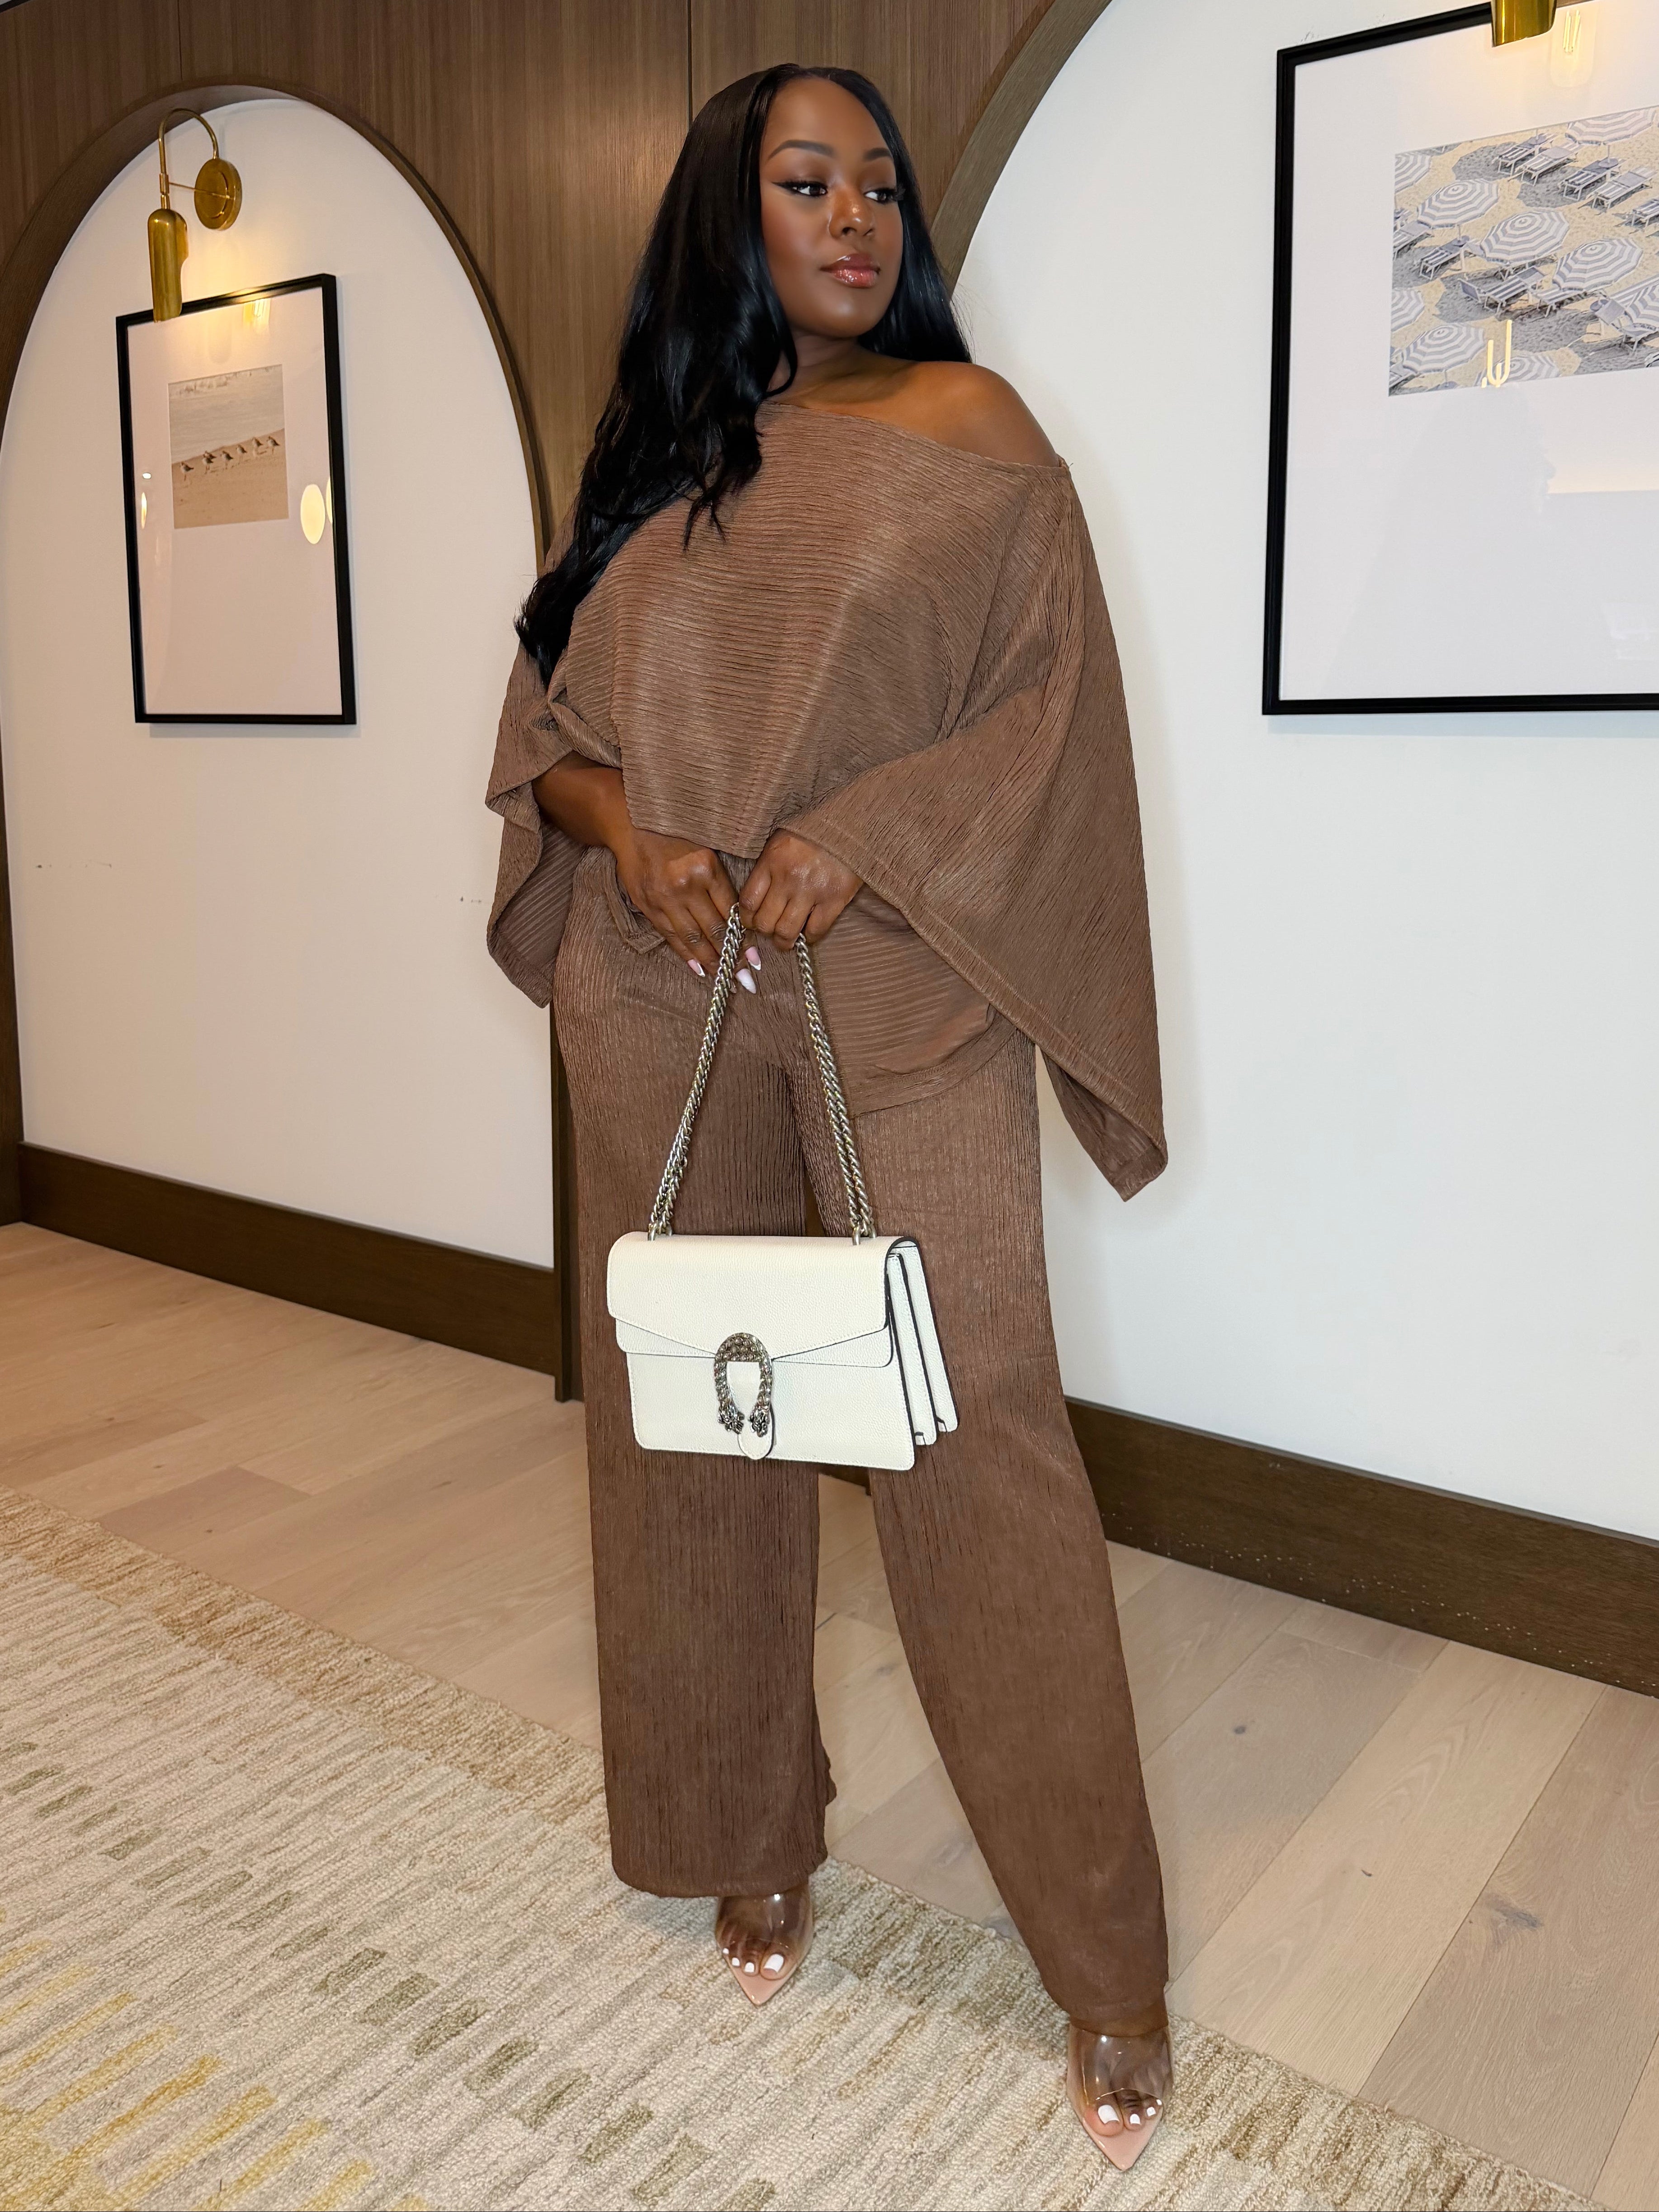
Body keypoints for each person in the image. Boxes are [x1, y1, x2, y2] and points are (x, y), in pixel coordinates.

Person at [485, 61, 1172, 2171]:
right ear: (731, 217)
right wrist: (632, 832)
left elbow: (1043, 715)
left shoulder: (977, 437)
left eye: (878, 183)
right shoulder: (654, 459)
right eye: (808, 183)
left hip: (897, 994)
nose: (857, 216)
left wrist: (858, 832)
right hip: (663, 995)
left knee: (976, 1442)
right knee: (693, 1434)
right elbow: (556, 735)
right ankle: (743, 1830)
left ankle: (1106, 1956)